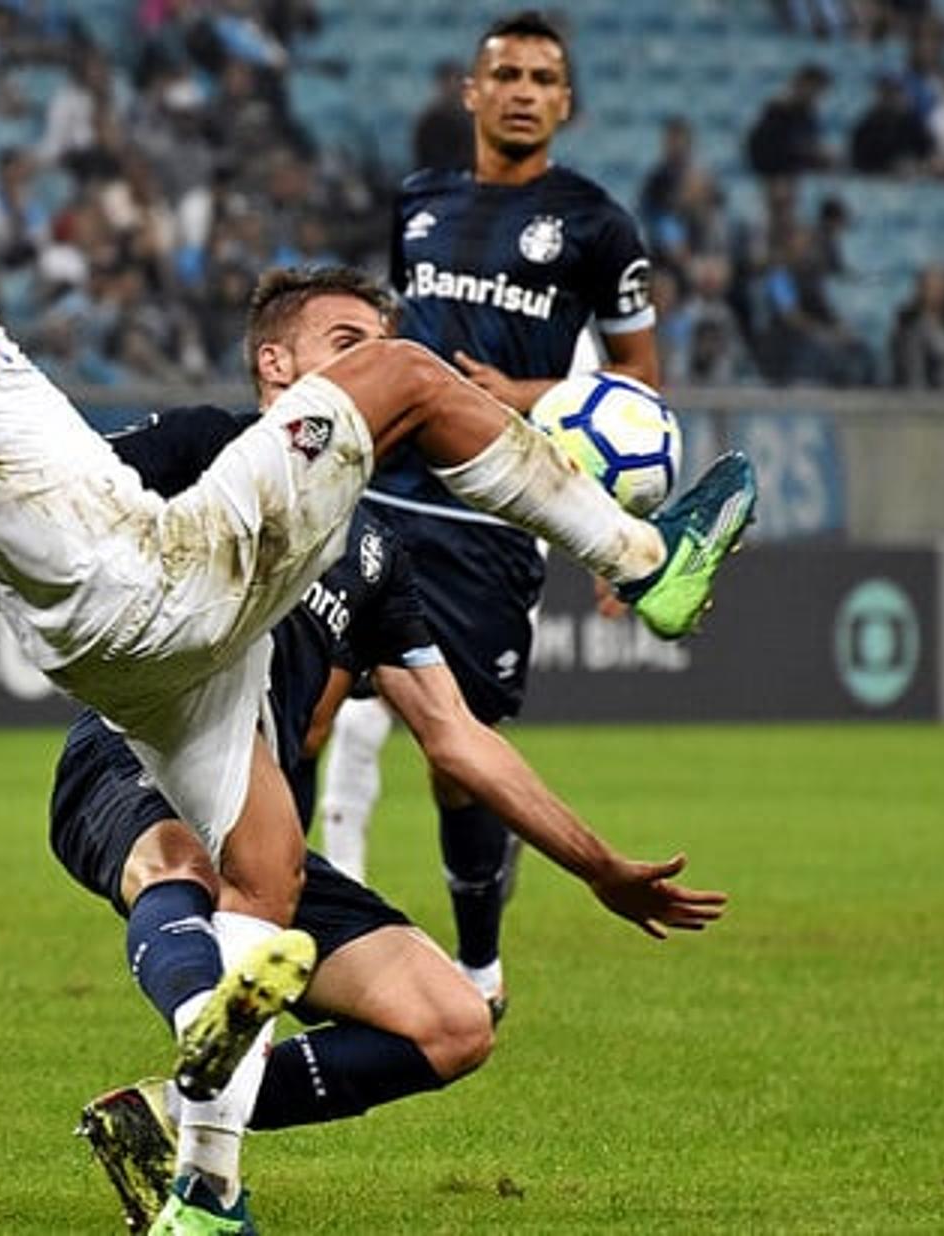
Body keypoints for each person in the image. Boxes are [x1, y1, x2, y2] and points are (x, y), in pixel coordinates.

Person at [0, 62, 754, 1228]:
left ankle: (204, 1190)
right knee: (407, 374)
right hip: (156, 576)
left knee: (265, 871)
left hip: (130, 660)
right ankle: (642, 561)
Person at [51, 267, 726, 1233]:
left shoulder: (372, 554)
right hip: (132, 760)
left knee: (452, 1024)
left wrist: (598, 868)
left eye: (381, 343)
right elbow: (53, 482)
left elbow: (458, 739)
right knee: (190, 865)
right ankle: (209, 1065)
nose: (370, 363)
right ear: (274, 365)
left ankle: (171, 1110)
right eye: (347, 343)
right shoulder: (208, 445)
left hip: (264, 834)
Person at [317, 11, 666, 1021]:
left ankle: (476, 958)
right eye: (504, 73)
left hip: (491, 522)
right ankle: (309, 926)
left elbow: (638, 382)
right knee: (310, 712)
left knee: (456, 760)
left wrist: (525, 409)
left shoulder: (599, 227)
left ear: (566, 102)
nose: (521, 89)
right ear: (470, 93)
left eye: (542, 78)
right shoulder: (419, 203)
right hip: (373, 496)